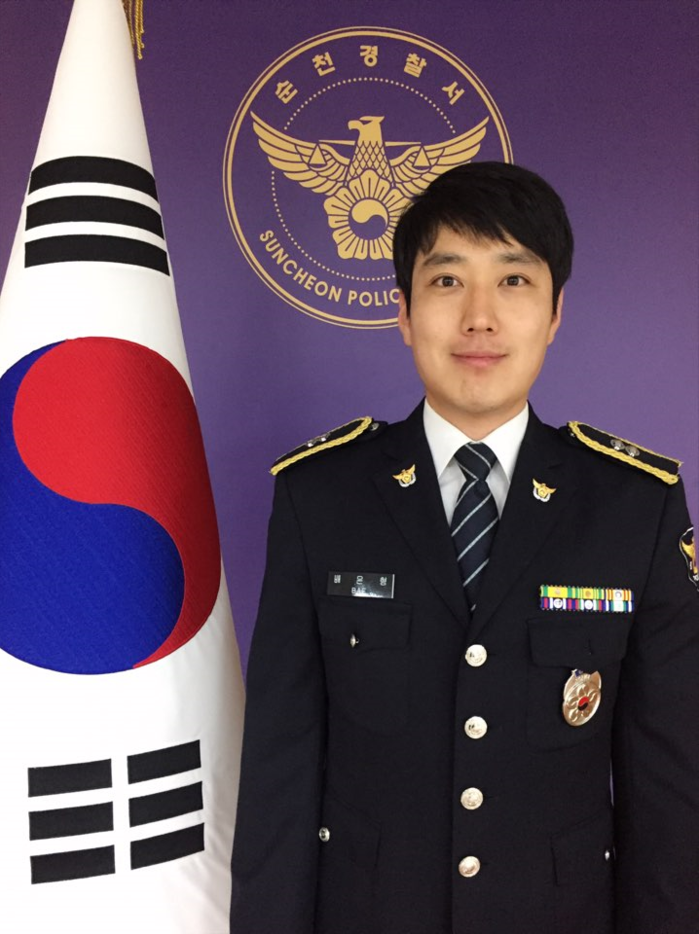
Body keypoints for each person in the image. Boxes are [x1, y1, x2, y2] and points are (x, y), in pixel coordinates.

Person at [230, 162, 699, 934]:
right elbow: (280, 770)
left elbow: (669, 787)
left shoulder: (633, 507)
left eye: (514, 281)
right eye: (447, 281)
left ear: (555, 313)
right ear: (404, 311)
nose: (480, 318)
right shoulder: (322, 497)